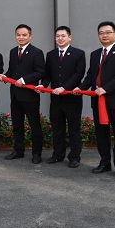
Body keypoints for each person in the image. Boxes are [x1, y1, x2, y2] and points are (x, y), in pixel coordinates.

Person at [75, 21, 115, 180]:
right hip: (98, 101)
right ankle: (105, 162)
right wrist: (80, 88)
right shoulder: (95, 54)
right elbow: (91, 76)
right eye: (101, 33)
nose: (104, 35)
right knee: (101, 134)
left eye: (108, 32)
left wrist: (105, 89)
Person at [36, 26, 85, 168]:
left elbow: (78, 74)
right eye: (57, 36)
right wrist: (43, 85)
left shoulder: (78, 54)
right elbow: (48, 74)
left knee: (74, 128)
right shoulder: (51, 54)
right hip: (56, 99)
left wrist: (64, 88)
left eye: (63, 36)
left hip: (72, 98)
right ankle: (58, 154)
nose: (60, 38)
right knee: (57, 128)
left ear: (70, 37)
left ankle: (74, 157)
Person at [0, 24, 46, 164]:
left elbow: (40, 72)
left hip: (30, 96)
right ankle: (18, 151)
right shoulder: (13, 52)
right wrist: (4, 76)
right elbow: (12, 71)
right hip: (15, 95)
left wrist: (24, 80)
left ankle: (37, 153)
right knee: (17, 125)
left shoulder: (37, 52)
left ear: (30, 36)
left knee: (34, 126)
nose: (21, 37)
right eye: (18, 34)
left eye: (24, 35)